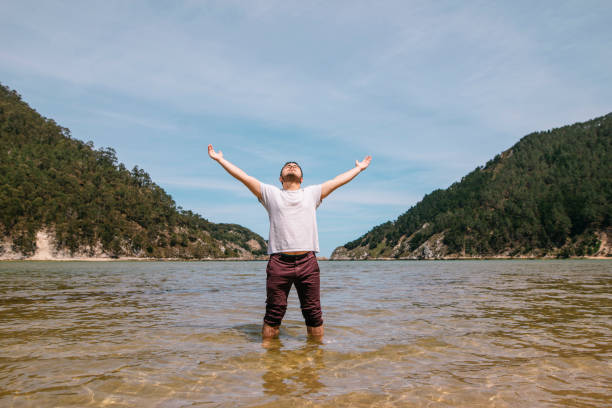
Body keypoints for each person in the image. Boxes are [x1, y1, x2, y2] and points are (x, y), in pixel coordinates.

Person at [208, 144, 371, 341]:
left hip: (308, 262)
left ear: (302, 179)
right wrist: (220, 159)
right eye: (287, 166)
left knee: (314, 315)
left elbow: (336, 181)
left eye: (295, 165)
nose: (291, 166)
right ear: (280, 178)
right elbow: (244, 177)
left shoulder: (311, 194)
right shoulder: (271, 194)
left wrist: (359, 168)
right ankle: (271, 363)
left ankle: (315, 359)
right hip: (279, 263)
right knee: (273, 315)